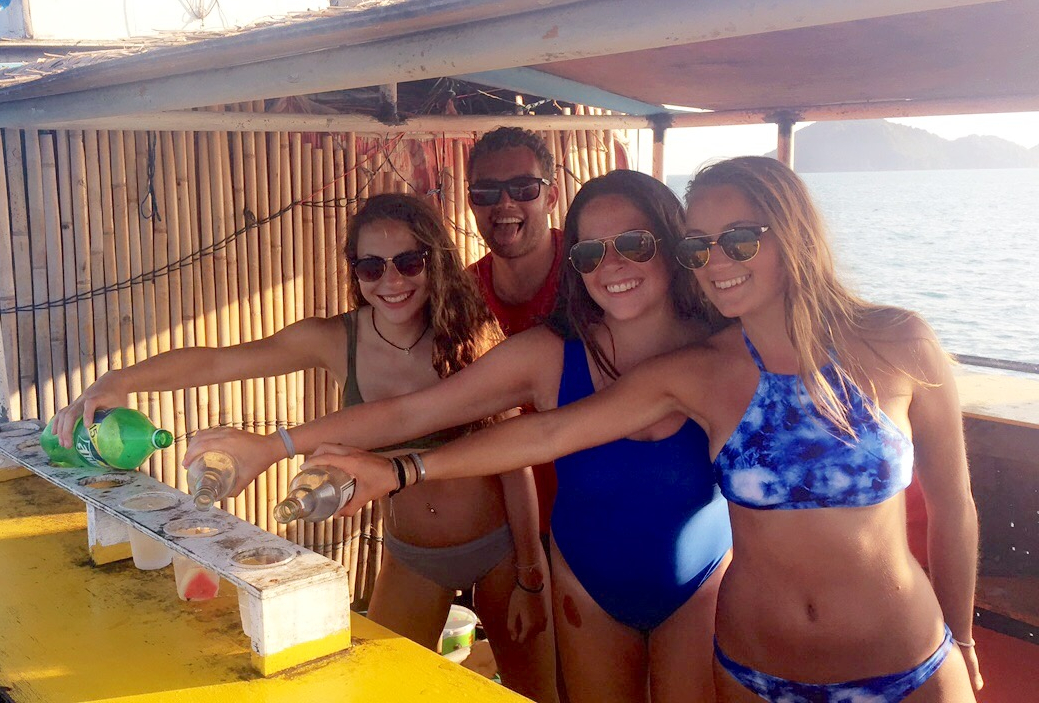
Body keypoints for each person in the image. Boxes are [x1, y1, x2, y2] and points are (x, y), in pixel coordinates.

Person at [318, 157, 982, 702]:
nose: (717, 259)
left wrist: (965, 634)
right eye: (702, 245)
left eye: (739, 239)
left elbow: (954, 507)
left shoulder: (903, 345)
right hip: (755, 669)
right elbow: (547, 435)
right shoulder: (700, 371)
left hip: (905, 661)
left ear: (793, 234)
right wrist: (389, 466)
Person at [187, 170, 734, 702]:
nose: (611, 265)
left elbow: (542, 436)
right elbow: (412, 414)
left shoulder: (727, 352)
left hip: (700, 587)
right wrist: (275, 445)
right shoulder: (550, 355)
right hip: (588, 591)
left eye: (634, 243)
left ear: (672, 241)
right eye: (590, 252)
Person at [50, 193, 558, 702]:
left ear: (435, 262)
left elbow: (513, 460)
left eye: (408, 262)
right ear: (353, 271)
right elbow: (218, 362)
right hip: (413, 559)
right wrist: (119, 379)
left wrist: (532, 574)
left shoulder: (468, 334)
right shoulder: (336, 339)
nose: (392, 282)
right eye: (371, 267)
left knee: (534, 693)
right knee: (381, 694)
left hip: (499, 553)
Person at [463, 127, 565, 537]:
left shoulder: (593, 278)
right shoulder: (462, 297)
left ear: (551, 197)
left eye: (523, 188)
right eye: (486, 192)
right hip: (499, 527)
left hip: (593, 519)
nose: (504, 203)